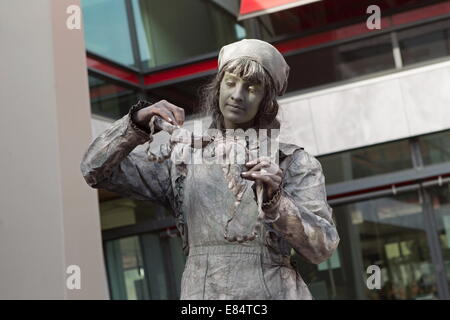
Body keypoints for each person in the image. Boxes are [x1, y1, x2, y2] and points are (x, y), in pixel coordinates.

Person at [81, 39, 339, 300]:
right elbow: (94, 168)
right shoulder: (182, 158)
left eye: (252, 88)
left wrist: (276, 200)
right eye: (230, 82)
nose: (238, 95)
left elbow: (321, 248)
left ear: (267, 100)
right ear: (217, 89)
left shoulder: (293, 162)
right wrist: (135, 124)